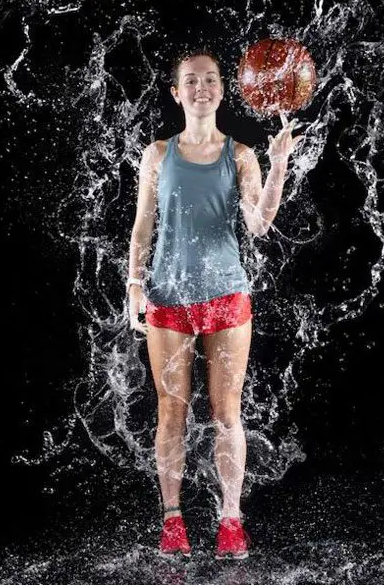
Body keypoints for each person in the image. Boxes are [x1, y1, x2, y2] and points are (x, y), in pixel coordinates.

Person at [126, 49, 304, 560]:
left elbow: (259, 223)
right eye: (190, 81)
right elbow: (142, 227)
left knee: (228, 411)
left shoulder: (241, 154)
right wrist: (134, 284)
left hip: (227, 297)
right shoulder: (157, 154)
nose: (201, 88)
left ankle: (230, 518)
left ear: (223, 90)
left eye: (210, 80)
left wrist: (279, 165)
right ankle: (173, 519)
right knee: (171, 412)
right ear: (176, 92)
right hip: (168, 297)